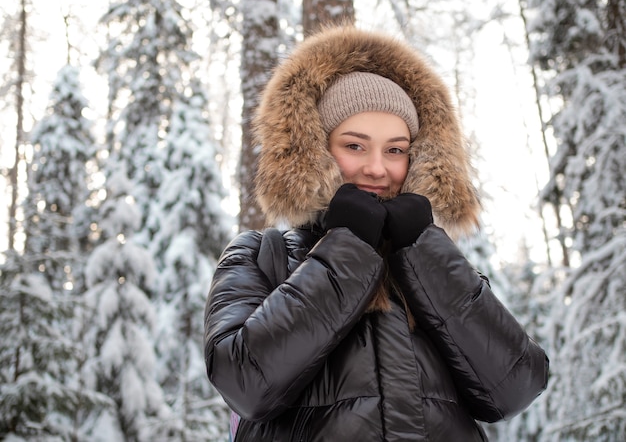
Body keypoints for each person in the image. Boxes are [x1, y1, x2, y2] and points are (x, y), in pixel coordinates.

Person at [204, 25, 549, 441]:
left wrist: (423, 251)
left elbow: (516, 387)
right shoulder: (260, 255)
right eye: (354, 146)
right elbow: (245, 382)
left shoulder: (432, 258)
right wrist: (347, 247)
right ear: (315, 148)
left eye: (395, 150)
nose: (377, 168)